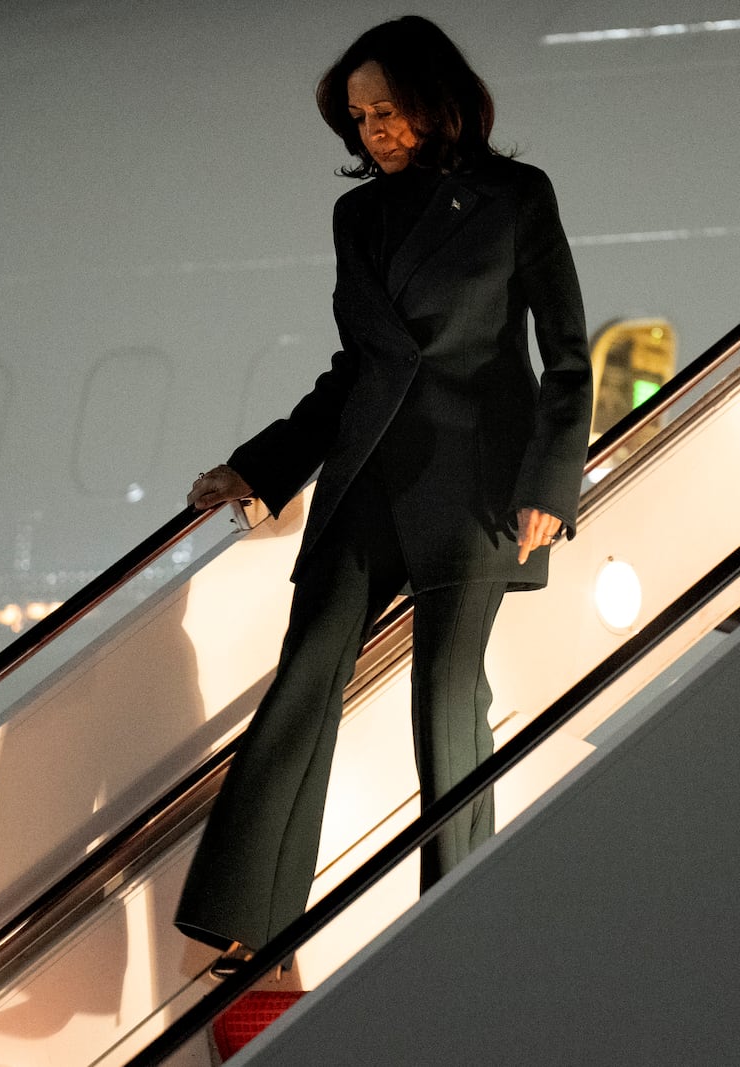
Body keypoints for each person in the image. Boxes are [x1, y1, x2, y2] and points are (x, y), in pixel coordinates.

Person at [173, 14, 592, 974]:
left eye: (388, 110)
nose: (374, 132)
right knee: (304, 676)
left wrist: (550, 484)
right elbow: (358, 369)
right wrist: (262, 466)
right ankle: (250, 912)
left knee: (443, 699)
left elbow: (568, 360)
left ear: (436, 102)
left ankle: (461, 917)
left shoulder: (516, 197)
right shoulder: (355, 217)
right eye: (360, 118)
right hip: (367, 481)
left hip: (478, 485)